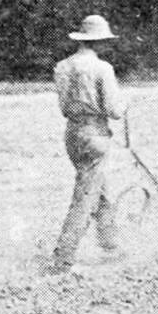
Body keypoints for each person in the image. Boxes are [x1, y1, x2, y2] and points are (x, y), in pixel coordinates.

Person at [50, 14, 126, 272]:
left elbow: (63, 106)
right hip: (95, 135)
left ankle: (110, 244)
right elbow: (114, 110)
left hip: (72, 134)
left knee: (99, 188)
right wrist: (125, 104)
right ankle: (64, 257)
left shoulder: (61, 67)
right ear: (99, 42)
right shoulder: (103, 68)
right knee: (85, 195)